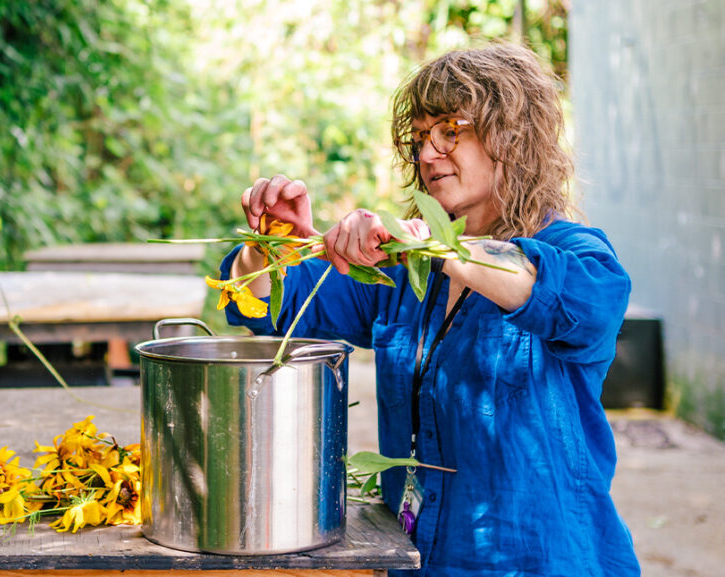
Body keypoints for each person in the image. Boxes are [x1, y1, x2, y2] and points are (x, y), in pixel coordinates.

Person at [220, 43, 641, 576]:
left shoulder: (579, 256)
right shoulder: (402, 273)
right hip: (422, 561)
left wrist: (432, 247)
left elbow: (573, 300)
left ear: (511, 135)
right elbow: (270, 305)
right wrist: (272, 246)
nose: (427, 153)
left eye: (450, 130)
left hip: (545, 561)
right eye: (419, 137)